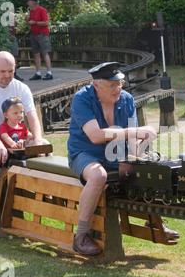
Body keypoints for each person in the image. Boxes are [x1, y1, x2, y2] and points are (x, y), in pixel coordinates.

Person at [68, 62, 179, 256]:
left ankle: (154, 221)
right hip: (85, 152)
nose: (117, 88)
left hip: (117, 153)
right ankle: (81, 236)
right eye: (112, 85)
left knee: (147, 167)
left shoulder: (126, 100)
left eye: (120, 83)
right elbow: (95, 136)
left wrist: (139, 157)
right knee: (97, 176)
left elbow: (133, 139)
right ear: (96, 85)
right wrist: (135, 131)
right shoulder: (81, 99)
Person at [0, 51, 44, 221]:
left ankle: (44, 193)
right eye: (3, 71)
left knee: (45, 144)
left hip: (17, 139)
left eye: (10, 71)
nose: (7, 75)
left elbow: (33, 118)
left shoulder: (22, 87)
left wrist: (38, 143)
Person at [25, 0, 53, 80]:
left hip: (42, 34)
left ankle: (49, 73)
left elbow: (46, 22)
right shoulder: (31, 11)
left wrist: (35, 22)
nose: (27, 3)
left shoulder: (42, 10)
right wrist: (27, 21)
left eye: (28, 1)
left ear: (33, 2)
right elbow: (30, 22)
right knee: (36, 54)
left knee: (45, 53)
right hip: (34, 34)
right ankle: (38, 73)